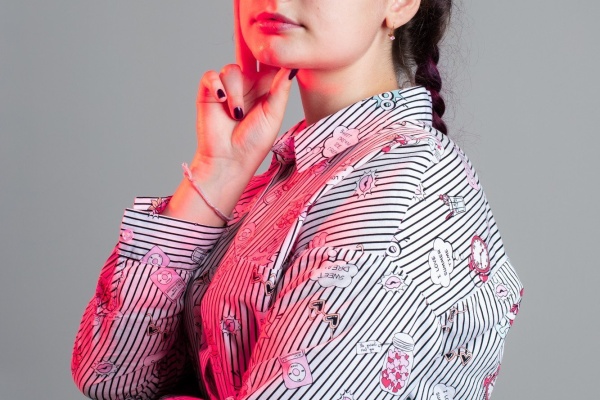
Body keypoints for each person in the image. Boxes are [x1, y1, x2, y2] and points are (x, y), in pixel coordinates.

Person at [72, 0, 524, 399]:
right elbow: (112, 377)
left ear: (401, 3)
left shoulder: (407, 182)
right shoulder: (291, 171)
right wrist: (217, 173)